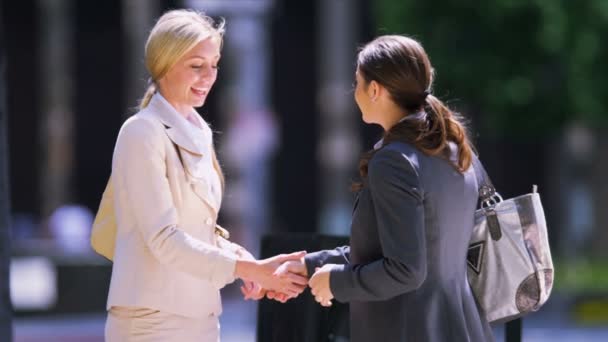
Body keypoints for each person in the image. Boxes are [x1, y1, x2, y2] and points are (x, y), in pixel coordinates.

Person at [104, 9, 307, 341]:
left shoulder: (200, 130)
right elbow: (165, 239)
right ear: (164, 63)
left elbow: (198, 229)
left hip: (201, 318)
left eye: (214, 65)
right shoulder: (142, 132)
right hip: (150, 322)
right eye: (196, 66)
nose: (209, 77)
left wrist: (244, 259)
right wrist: (249, 269)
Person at [283, 35, 495, 341]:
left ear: (374, 89)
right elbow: (400, 248)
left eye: (356, 82)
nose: (354, 92)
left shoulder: (395, 161)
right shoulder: (454, 148)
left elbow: (406, 269)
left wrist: (337, 282)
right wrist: (309, 266)